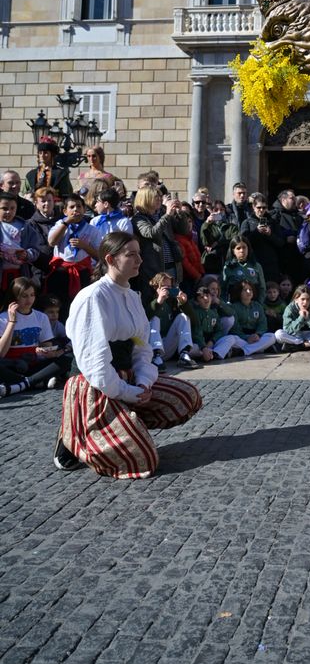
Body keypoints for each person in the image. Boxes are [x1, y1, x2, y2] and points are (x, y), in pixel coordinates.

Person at [53, 231, 202, 477]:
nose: (139, 260)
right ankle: (73, 437)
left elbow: (142, 348)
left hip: (127, 378)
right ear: (110, 260)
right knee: (142, 460)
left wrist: (143, 383)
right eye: (130, 255)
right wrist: (129, 392)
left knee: (186, 397)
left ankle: (125, 422)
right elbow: (95, 365)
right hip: (93, 385)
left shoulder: (132, 297)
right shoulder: (93, 298)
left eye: (139, 254)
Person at [0, 277, 68, 397]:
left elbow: (47, 345)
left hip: (33, 364)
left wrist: (46, 351)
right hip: (11, 366)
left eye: (32, 295)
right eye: (24, 296)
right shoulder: (3, 318)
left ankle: (24, 383)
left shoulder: (41, 317)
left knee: (68, 358)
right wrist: (12, 322)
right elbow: (1, 353)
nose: (29, 299)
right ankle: (37, 381)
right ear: (15, 297)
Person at [46, 194, 101, 319]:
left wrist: (85, 246)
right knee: (59, 304)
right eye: (72, 207)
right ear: (65, 211)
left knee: (80, 305)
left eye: (79, 206)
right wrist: (66, 224)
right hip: (61, 272)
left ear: (84, 209)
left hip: (82, 273)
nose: (76, 209)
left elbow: (99, 256)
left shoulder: (91, 230)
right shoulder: (60, 224)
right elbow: (52, 242)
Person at [132, 187, 183, 308]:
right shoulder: (138, 219)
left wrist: (180, 213)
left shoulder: (162, 214)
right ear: (146, 199)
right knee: (156, 303)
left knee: (173, 303)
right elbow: (151, 233)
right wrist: (167, 215)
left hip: (171, 267)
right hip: (154, 271)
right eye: (156, 197)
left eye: (160, 197)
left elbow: (183, 229)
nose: (160, 199)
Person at [228, 281, 277, 356]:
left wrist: (258, 334)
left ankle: (243, 351)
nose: (248, 292)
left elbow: (262, 324)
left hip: (256, 337)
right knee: (232, 339)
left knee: (271, 336)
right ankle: (261, 349)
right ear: (239, 292)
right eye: (245, 290)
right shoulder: (234, 307)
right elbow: (235, 329)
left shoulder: (257, 306)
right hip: (242, 338)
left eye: (250, 289)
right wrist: (247, 337)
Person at [222, 236, 266, 304]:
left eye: (244, 247)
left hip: (253, 305)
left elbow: (262, 288)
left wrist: (259, 303)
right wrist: (226, 305)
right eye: (238, 248)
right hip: (235, 305)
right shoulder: (228, 267)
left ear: (248, 249)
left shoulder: (256, 266)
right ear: (233, 251)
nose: (242, 251)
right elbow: (223, 289)